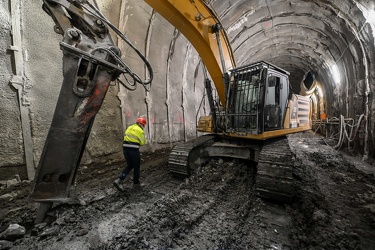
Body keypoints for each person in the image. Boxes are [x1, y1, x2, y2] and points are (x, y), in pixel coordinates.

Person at [113, 117, 146, 191]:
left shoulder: (129, 127)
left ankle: (119, 180)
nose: (143, 126)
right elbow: (142, 143)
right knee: (136, 166)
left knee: (130, 165)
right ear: (141, 124)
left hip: (125, 150)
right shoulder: (140, 131)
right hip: (133, 151)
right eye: (143, 125)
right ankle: (136, 184)